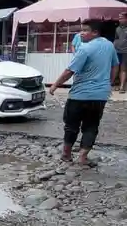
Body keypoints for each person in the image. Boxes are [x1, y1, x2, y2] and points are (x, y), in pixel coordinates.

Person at [48, 20, 119, 167]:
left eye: (85, 30)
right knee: (91, 126)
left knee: (71, 125)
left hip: (80, 95)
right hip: (100, 95)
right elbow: (115, 66)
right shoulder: (109, 45)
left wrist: (54, 86)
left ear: (95, 32)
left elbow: (70, 71)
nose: (81, 33)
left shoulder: (85, 48)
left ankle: (66, 154)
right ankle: (82, 157)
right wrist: (108, 83)